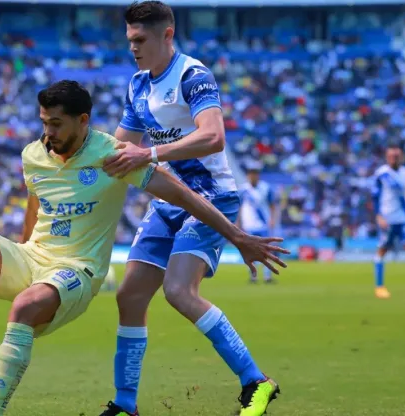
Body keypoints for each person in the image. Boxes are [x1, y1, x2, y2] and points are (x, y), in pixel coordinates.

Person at [0, 80, 288, 416]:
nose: (48, 134)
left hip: (78, 269)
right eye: (44, 122)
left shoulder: (115, 156)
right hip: (34, 255)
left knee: (27, 308)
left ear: (83, 121)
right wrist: (21, 247)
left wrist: (237, 235)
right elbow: (37, 199)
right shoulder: (33, 155)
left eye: (56, 125)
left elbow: (181, 194)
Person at [100, 2, 281, 415]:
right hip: (168, 200)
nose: (133, 48)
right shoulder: (137, 86)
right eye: (129, 40)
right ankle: (125, 404)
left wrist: (150, 153)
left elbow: (213, 136)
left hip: (213, 195)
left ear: (167, 34)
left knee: (179, 291)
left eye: (140, 40)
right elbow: (117, 147)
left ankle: (257, 382)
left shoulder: (193, 76)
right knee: (129, 295)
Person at [371, 143, 405, 299]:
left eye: (396, 156)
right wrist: (379, 215)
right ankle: (379, 286)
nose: (393, 159)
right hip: (387, 219)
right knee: (382, 251)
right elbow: (375, 197)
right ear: (386, 157)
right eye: (390, 156)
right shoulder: (381, 174)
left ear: (401, 156)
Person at [238, 161, 277, 284]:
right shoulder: (243, 190)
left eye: (255, 173)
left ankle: (267, 276)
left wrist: (272, 219)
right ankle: (253, 275)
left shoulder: (265, 188)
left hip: (263, 224)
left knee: (267, 250)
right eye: (251, 173)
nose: (253, 176)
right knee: (250, 251)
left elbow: (272, 206)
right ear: (248, 175)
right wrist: (238, 223)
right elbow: (239, 208)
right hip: (249, 225)